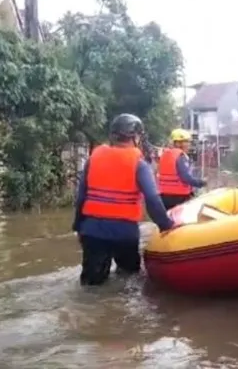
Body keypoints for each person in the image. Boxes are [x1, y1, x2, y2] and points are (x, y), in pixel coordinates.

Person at [72, 113, 175, 286]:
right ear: (135, 137)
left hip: (92, 230)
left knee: (91, 284)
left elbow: (81, 196)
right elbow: (152, 199)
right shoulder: (139, 164)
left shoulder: (94, 158)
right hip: (124, 232)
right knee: (129, 279)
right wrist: (167, 226)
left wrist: (78, 226)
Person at [157, 128, 207, 210]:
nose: (188, 145)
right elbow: (186, 177)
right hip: (179, 197)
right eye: (186, 142)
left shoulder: (164, 155)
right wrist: (201, 182)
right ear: (178, 143)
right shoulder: (180, 156)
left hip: (164, 196)